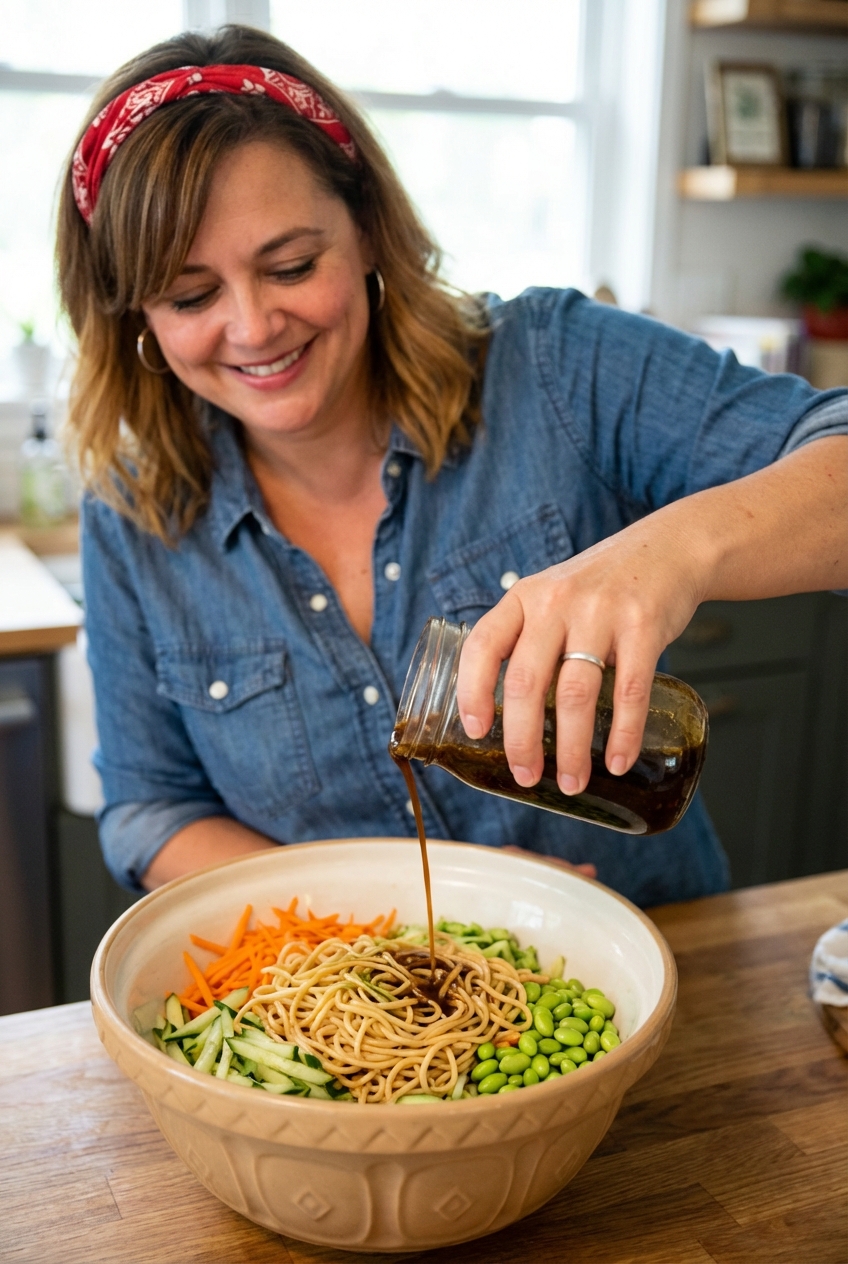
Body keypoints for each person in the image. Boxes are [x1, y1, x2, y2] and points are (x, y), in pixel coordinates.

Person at [57, 26, 847, 908]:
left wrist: (675, 553)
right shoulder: (133, 512)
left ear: (367, 230)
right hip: (364, 1029)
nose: (251, 328)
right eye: (190, 296)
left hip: (665, 962)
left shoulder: (551, 364)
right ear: (138, 318)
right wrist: (413, 905)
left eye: (291, 265)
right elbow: (152, 807)